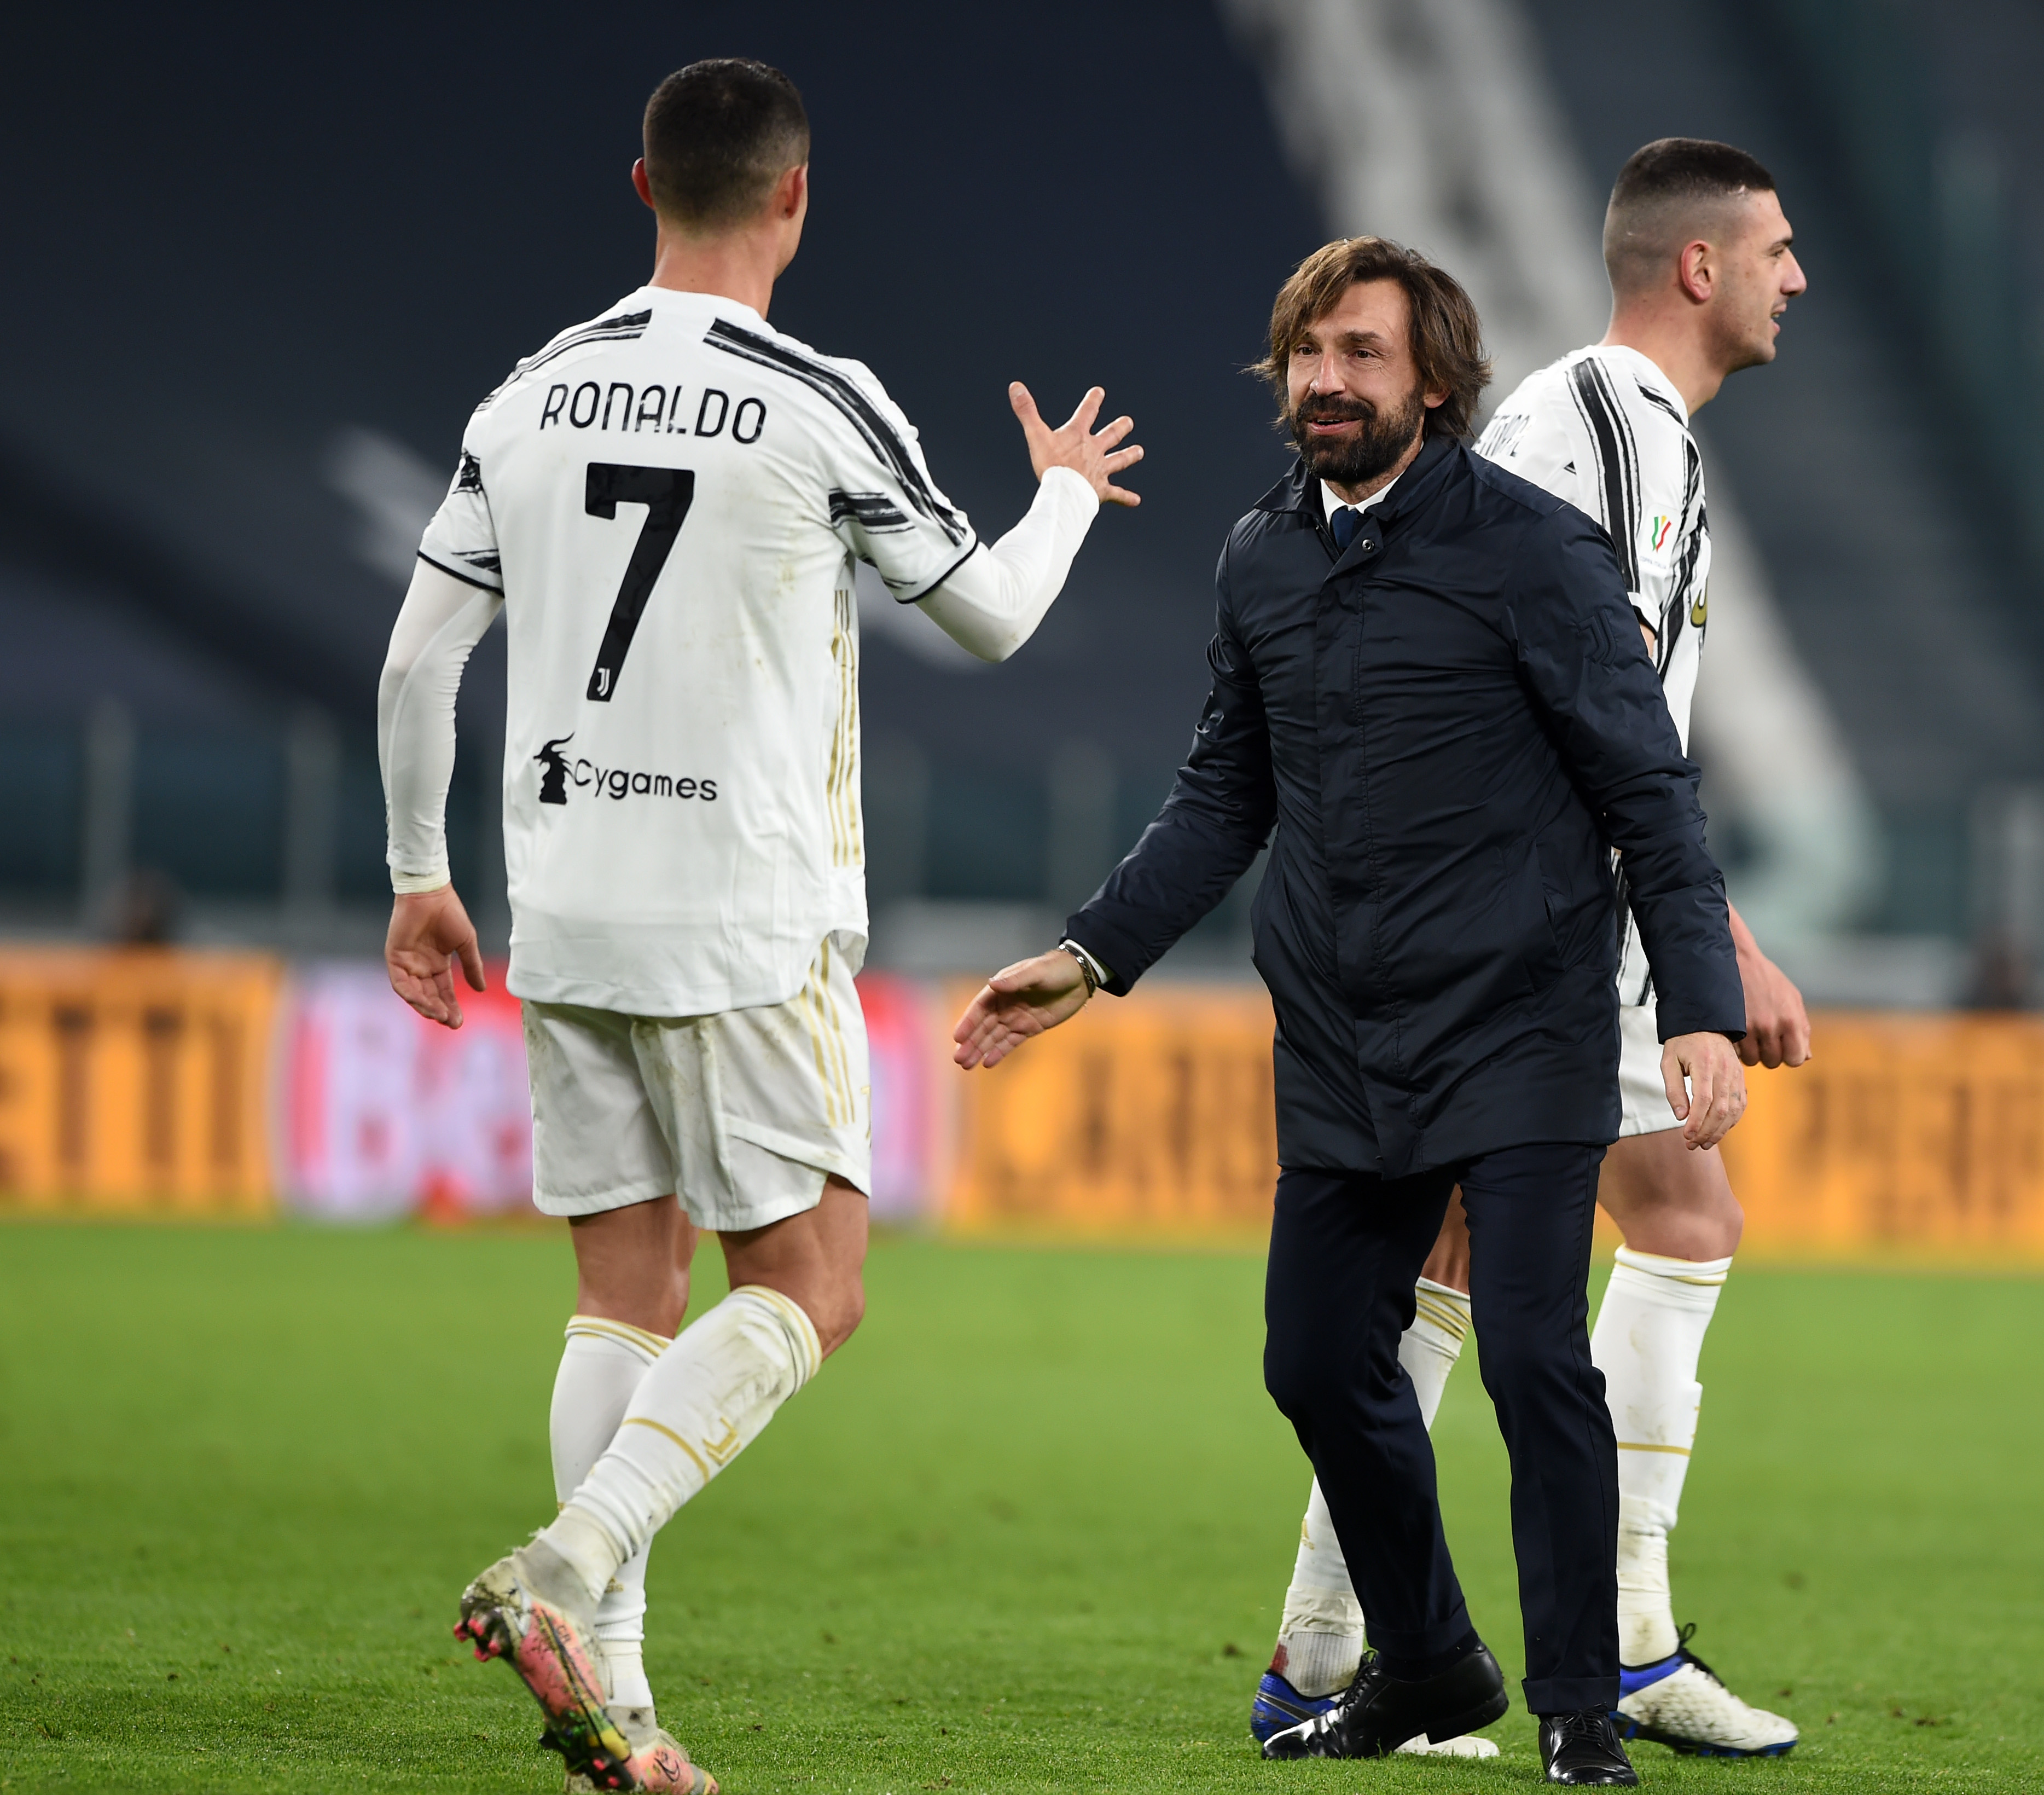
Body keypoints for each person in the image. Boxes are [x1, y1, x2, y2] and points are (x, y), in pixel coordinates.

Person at [376, 59, 1142, 1792]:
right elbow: (996, 621)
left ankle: (618, 1715)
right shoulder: (819, 400)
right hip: (740, 917)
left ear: (639, 187)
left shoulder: (529, 395)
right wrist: (1070, 491)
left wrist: (422, 873)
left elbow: (422, 658)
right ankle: (567, 1572)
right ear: (796, 199)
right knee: (816, 1285)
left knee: (618, 1295)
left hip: (562, 905)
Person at [953, 236, 1748, 1788]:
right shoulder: (1262, 556)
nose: (1326, 381)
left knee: (1532, 1358)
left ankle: (1582, 1709)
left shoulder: (1535, 552)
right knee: (1315, 1363)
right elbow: (1223, 793)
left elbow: (1650, 793)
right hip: (1341, 1036)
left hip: (1523, 1026)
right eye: (1308, 354)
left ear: (1432, 383)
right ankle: (1437, 1660)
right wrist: (1092, 955)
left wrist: (1696, 1008)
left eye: (1360, 355)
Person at [1255, 137, 1816, 1761]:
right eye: (1775, 249)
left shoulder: (1629, 431)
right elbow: (1582, 711)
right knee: (1673, 1216)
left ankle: (1328, 1650)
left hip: (1514, 909)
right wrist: (1715, 943)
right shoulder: (1595, 427)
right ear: (1696, 266)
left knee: (1486, 1259)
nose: (1796, 278)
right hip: (1521, 921)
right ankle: (1617, 1649)